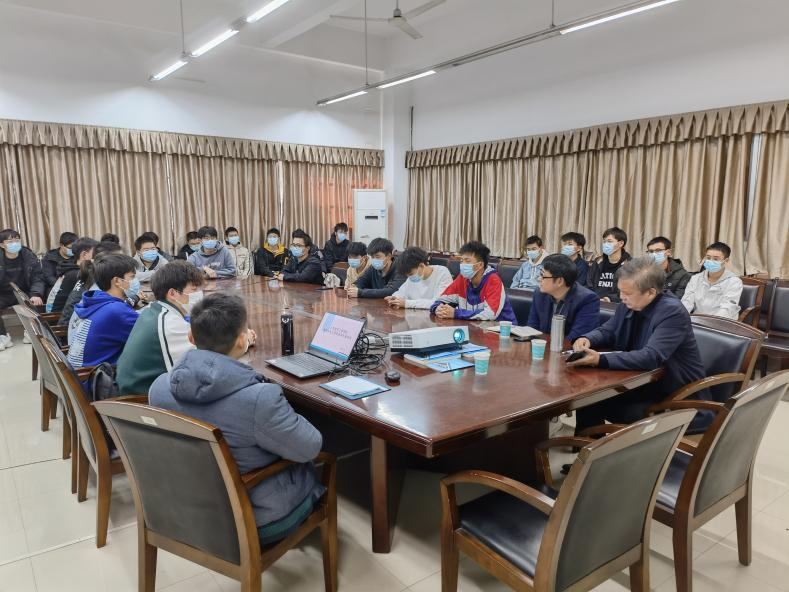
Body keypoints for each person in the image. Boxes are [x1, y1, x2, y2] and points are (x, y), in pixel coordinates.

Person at [149, 292, 325, 544]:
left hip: (183, 507)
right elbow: (310, 447)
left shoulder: (159, 388)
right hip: (253, 518)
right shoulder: (259, 399)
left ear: (191, 337)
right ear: (243, 341)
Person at [569, 257, 708, 432]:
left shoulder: (672, 312)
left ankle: (611, 449)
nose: (621, 297)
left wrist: (600, 359)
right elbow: (608, 330)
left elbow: (651, 356)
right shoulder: (630, 303)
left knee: (599, 402)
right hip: (640, 381)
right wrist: (587, 339)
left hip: (672, 394)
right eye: (620, 291)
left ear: (651, 292)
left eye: (627, 293)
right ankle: (589, 445)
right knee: (587, 397)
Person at [116, 261, 204, 396]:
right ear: (173, 293)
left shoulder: (152, 309)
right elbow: (201, 366)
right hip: (142, 400)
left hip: (134, 391)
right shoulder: (171, 324)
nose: (199, 294)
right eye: (194, 290)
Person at [67, 254, 140, 369]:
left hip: (78, 372)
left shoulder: (95, 300)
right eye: (132, 277)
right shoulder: (117, 310)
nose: (135, 281)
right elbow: (151, 336)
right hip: (94, 376)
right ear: (117, 281)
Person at [431, 241, 517, 322]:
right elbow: (441, 299)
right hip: (474, 327)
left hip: (501, 329)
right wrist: (438, 309)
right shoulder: (462, 278)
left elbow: (489, 314)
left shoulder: (493, 280)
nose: (462, 264)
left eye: (467, 261)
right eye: (462, 261)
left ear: (480, 265)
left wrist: (456, 313)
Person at [526, 254, 600, 342]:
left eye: (543, 275)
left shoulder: (587, 299)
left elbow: (576, 338)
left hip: (569, 348)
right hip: (541, 346)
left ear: (560, 281)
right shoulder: (539, 294)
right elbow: (532, 329)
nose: (539, 279)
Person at [58, 241, 123, 326]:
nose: (124, 263)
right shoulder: (98, 279)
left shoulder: (90, 273)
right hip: (69, 328)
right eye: (119, 259)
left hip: (74, 323)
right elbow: (112, 308)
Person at [0, 229, 45, 350]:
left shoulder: (28, 256)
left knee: (37, 300)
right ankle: (2, 336)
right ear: (2, 245)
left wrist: (36, 293)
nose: (15, 243)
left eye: (17, 240)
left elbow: (38, 277)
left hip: (24, 292)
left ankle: (31, 332)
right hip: (3, 294)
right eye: (10, 241)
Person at [681, 241, 743, 320]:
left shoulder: (734, 282)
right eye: (708, 258)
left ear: (726, 261)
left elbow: (728, 308)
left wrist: (712, 323)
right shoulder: (696, 278)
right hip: (697, 321)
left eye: (716, 259)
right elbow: (686, 302)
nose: (710, 261)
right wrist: (681, 317)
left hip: (722, 322)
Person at [384, 247, 453, 309]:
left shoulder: (442, 273)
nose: (409, 277)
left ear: (422, 266)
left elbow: (438, 303)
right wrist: (395, 298)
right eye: (407, 275)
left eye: (410, 274)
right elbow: (402, 292)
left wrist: (407, 303)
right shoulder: (412, 276)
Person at [45, 237, 98, 313]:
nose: (97, 257)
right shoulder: (76, 274)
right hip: (58, 316)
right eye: (95, 253)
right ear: (84, 255)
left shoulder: (71, 267)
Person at [587, 226, 632, 302]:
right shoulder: (598, 261)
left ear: (621, 243)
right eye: (604, 241)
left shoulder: (630, 264)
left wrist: (610, 299)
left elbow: (628, 290)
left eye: (609, 241)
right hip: (594, 301)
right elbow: (589, 284)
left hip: (616, 304)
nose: (605, 244)